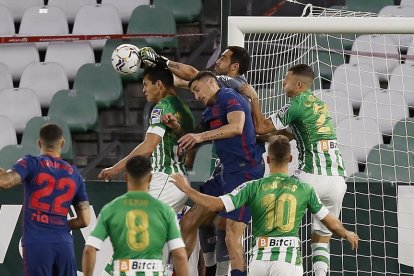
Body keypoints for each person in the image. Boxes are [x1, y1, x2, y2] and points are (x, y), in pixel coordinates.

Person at [140, 45, 259, 276]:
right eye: (192, 92)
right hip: (226, 171)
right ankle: (187, 271)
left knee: (232, 235)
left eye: (223, 58)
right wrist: (177, 127)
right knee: (192, 221)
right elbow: (192, 140)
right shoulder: (210, 109)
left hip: (246, 172)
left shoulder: (229, 91)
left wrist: (161, 61)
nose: (195, 96)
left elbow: (236, 127)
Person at [170, 135, 359, 276]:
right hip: (288, 261)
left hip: (259, 260)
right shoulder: (304, 189)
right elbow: (330, 222)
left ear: (267, 160)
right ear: (291, 159)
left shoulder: (252, 186)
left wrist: (188, 189)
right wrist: (346, 233)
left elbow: (214, 203)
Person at [240, 64, 347, 276]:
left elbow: (262, 128)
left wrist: (254, 98)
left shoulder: (296, 103)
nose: (282, 82)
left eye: (286, 79)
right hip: (337, 179)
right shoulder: (318, 105)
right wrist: (250, 136)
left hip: (312, 174)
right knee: (322, 234)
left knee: (277, 211)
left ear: (298, 84)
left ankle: (272, 263)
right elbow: (281, 137)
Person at [98, 67, 195, 213]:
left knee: (134, 223)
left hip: (165, 179)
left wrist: (116, 168)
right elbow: (189, 158)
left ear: (159, 85)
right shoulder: (185, 109)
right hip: (180, 180)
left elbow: (149, 146)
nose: (143, 90)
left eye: (145, 84)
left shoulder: (161, 107)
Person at [0, 123, 90, 276]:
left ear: (39, 143)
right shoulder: (74, 174)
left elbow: (6, 181)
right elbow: (85, 220)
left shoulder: (31, 163)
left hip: (37, 244)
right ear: (62, 143)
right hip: (64, 245)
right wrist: (59, 224)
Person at [83, 155, 189, 276]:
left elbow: (89, 250)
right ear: (150, 178)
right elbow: (180, 255)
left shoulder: (111, 209)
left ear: (126, 177)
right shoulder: (166, 211)